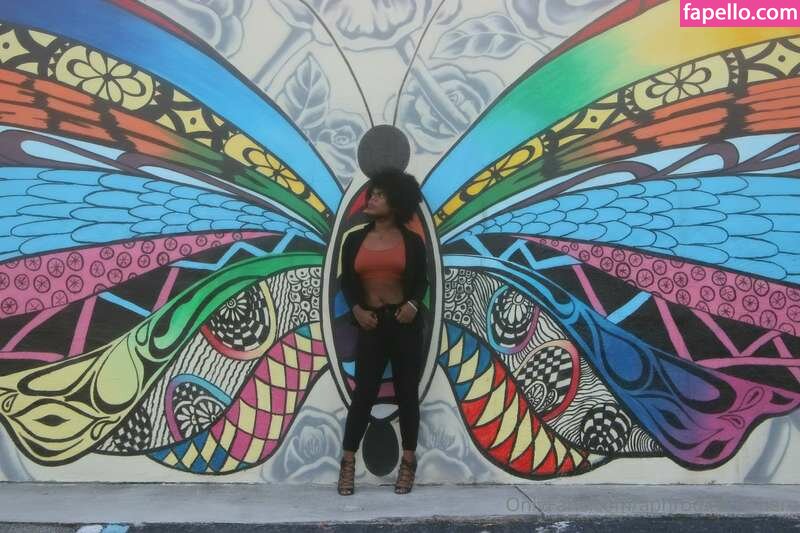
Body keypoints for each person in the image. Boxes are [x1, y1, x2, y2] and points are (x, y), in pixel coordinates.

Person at [336, 169, 428, 495]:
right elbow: (347, 282)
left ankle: (408, 463)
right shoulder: (355, 240)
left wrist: (413, 304)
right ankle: (347, 463)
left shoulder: (412, 242)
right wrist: (357, 310)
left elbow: (421, 282)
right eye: (371, 193)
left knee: (407, 394)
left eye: (380, 195)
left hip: (403, 326)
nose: (371, 199)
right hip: (371, 325)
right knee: (364, 395)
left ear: (397, 202)